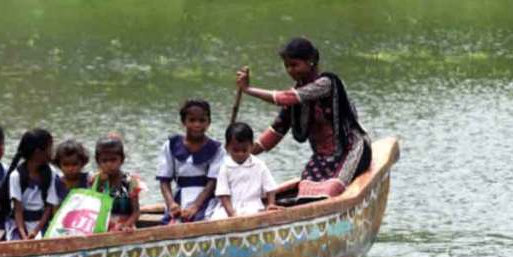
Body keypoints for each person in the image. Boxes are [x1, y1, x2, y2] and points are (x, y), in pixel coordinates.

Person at [235, 37, 371, 200]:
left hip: (350, 151)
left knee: (330, 190)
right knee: (305, 194)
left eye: (294, 65)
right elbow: (276, 131)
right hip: (322, 159)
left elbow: (286, 98)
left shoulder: (326, 84)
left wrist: (248, 89)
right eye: (287, 66)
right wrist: (242, 154)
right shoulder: (295, 96)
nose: (290, 70)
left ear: (311, 61)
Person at [157, 99, 225, 223]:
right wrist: (171, 203)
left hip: (206, 198)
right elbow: (164, 181)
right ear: (184, 122)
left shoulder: (216, 148)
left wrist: (195, 206)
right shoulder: (170, 145)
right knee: (173, 223)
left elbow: (212, 182)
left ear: (208, 122)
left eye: (202, 120)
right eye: (192, 120)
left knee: (203, 220)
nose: (197, 125)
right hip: (180, 197)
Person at [210, 122, 280, 220]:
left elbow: (270, 188)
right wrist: (232, 215)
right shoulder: (225, 167)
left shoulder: (259, 165)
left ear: (251, 146)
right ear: (227, 147)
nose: (240, 154)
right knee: (218, 219)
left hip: (254, 207)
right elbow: (223, 195)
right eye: (236, 150)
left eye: (244, 150)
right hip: (229, 209)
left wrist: (271, 204)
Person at [0, 129, 56, 240]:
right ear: (38, 152)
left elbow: (49, 207)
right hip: (20, 225)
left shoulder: (51, 173)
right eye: (50, 148)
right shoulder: (16, 176)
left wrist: (35, 230)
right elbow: (17, 210)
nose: (52, 152)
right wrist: (24, 235)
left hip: (42, 224)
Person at [91, 133, 144, 231]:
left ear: (122, 160)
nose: (109, 164)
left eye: (113, 160)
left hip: (125, 226)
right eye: (104, 161)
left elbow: (136, 212)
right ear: (98, 161)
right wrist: (100, 184)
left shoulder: (130, 181)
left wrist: (126, 225)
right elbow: (92, 207)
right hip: (101, 226)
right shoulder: (95, 180)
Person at [49, 139, 91, 204]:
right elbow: (55, 206)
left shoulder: (89, 179)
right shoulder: (56, 183)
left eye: (75, 164)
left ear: (82, 163)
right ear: (59, 164)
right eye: (66, 165)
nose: (70, 169)